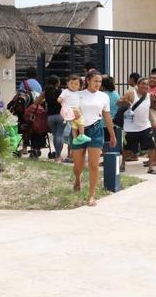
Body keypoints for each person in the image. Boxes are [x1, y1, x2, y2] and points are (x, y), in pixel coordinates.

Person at [69, 71, 117, 206]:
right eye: (95, 81)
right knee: (78, 166)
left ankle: (91, 196)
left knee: (93, 165)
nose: (98, 84)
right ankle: (78, 179)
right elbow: (67, 110)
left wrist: (112, 135)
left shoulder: (104, 97)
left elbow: (107, 117)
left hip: (96, 130)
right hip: (79, 130)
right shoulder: (78, 95)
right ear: (88, 80)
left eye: (100, 81)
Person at [121, 76, 156, 175]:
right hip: (131, 127)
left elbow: (154, 108)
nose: (145, 86)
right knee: (127, 149)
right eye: (143, 84)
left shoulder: (150, 96)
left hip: (145, 126)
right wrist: (124, 102)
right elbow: (119, 104)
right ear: (138, 85)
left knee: (152, 146)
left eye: (147, 84)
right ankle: (122, 164)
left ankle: (151, 168)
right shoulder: (131, 93)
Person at [42, 75, 65, 163]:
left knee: (56, 136)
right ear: (57, 82)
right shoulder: (61, 91)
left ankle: (57, 155)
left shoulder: (46, 92)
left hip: (50, 117)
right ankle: (58, 156)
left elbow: (38, 101)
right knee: (59, 136)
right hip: (60, 116)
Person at [59, 74, 85, 147]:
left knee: (76, 125)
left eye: (76, 84)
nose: (73, 85)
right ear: (67, 83)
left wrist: (80, 111)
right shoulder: (66, 91)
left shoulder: (79, 93)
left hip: (77, 111)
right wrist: (60, 100)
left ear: (80, 86)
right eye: (71, 83)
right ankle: (77, 137)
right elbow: (60, 98)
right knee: (75, 125)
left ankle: (77, 138)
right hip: (69, 111)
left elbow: (81, 103)